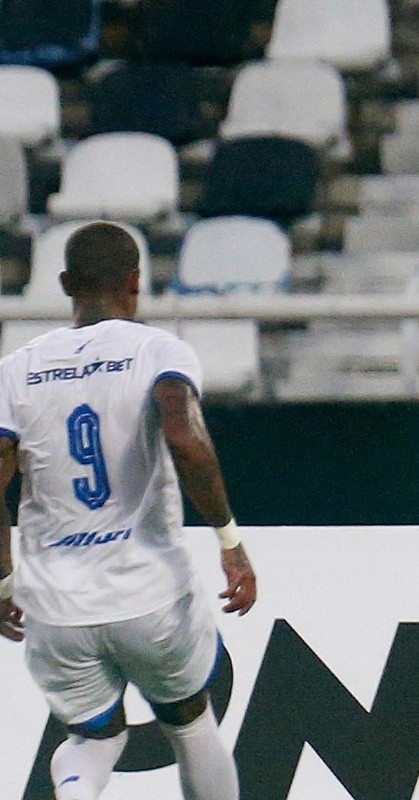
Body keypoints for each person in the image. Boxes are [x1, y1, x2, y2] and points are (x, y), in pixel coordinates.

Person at [0, 221, 257, 800]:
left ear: (65, 283)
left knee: (93, 740)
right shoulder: (157, 351)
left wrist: (2, 581)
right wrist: (229, 541)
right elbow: (184, 437)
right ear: (136, 281)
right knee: (190, 724)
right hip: (148, 592)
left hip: (57, 604)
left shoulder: (15, 370)